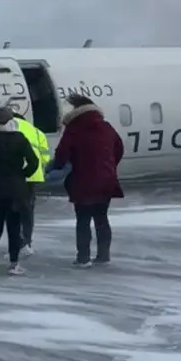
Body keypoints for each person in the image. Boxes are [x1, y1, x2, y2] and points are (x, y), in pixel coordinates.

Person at [51, 94, 124, 268]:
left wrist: (59, 167)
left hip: (82, 181)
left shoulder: (74, 130)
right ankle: (103, 255)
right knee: (101, 218)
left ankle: (83, 258)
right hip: (106, 180)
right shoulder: (106, 127)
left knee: (83, 220)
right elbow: (119, 148)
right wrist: (109, 166)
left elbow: (61, 155)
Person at [0, 107, 39, 276]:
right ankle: (13, 264)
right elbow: (33, 162)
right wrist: (22, 175)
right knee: (14, 228)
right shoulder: (19, 139)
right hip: (15, 189)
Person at [11, 111, 50, 258]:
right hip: (34, 176)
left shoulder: (11, 128)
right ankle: (27, 242)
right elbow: (45, 157)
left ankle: (17, 243)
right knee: (28, 212)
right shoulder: (37, 132)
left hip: (16, 176)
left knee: (13, 211)